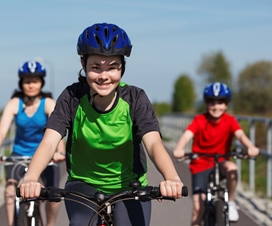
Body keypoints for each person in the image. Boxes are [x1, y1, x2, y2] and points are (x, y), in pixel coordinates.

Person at [18, 22, 184, 226]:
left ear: (122, 66)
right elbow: (50, 141)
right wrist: (31, 178)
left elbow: (153, 143)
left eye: (112, 67)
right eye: (96, 67)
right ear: (83, 65)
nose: (104, 76)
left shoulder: (135, 98)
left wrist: (172, 177)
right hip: (83, 184)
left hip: (128, 185)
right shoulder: (72, 97)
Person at [0, 60, 65, 226]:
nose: (31, 85)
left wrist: (60, 151)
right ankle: (11, 224)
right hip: (19, 154)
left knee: (53, 193)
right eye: (27, 81)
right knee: (10, 189)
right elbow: (1, 132)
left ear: (41, 83)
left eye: (35, 81)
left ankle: (50, 224)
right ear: (21, 83)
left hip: (46, 156)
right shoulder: (14, 104)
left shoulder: (48, 103)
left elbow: (58, 131)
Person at [173, 82, 259, 225]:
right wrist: (179, 148)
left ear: (226, 104)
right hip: (200, 163)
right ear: (206, 103)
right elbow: (187, 135)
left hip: (221, 160)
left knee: (232, 169)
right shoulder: (199, 120)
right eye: (211, 102)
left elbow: (240, 136)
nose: (216, 106)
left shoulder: (230, 121)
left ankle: (230, 201)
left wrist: (251, 147)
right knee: (198, 207)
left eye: (220, 102)